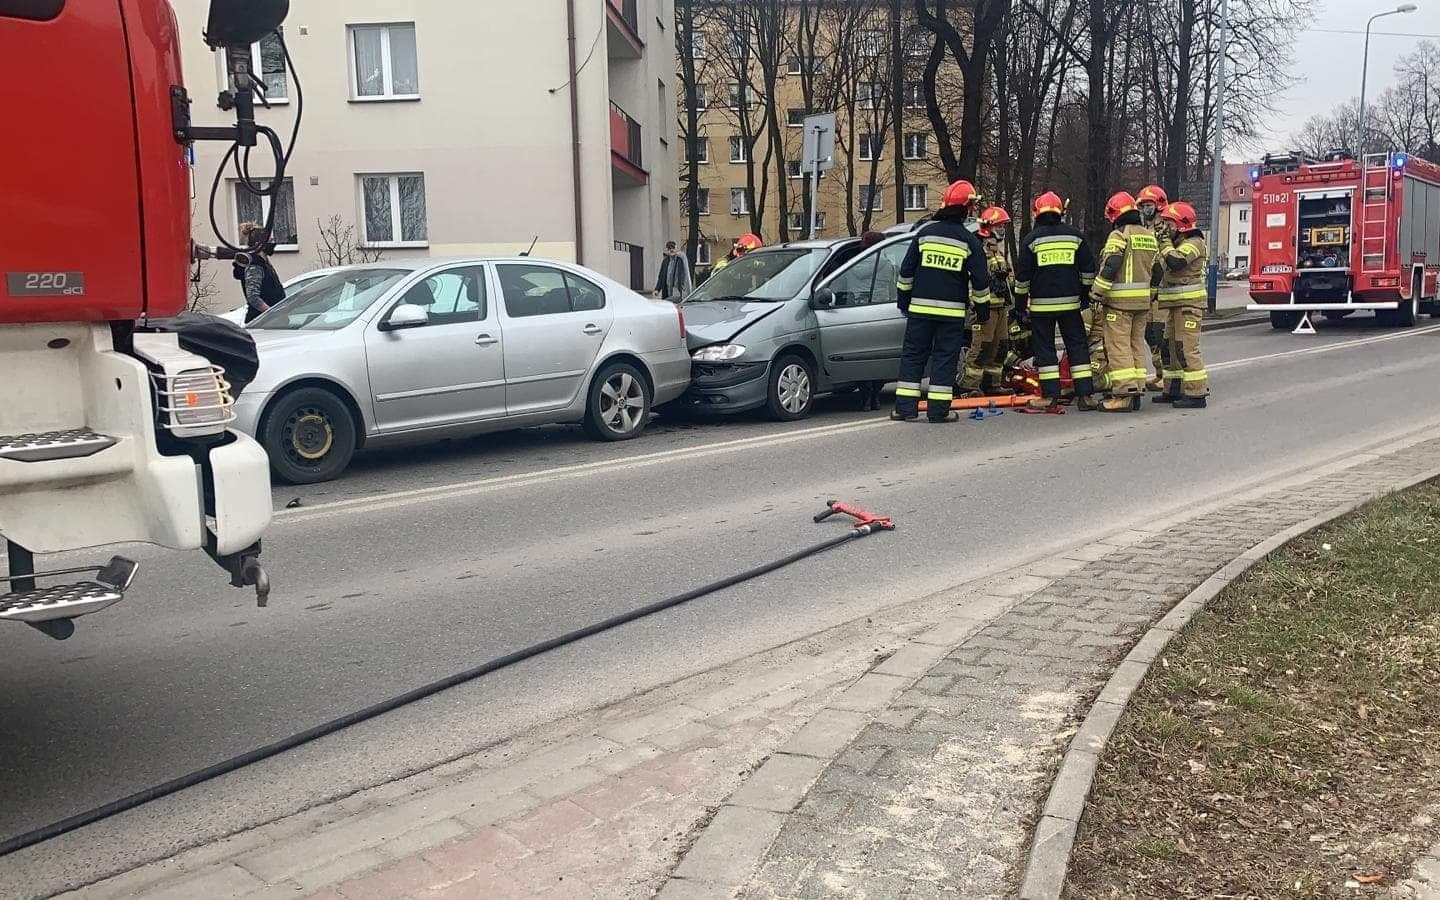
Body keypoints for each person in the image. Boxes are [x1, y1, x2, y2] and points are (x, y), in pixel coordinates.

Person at [893, 180, 991, 423]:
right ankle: (939, 412)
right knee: (945, 358)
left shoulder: (925, 234)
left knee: (913, 356)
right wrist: (983, 312)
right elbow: (981, 282)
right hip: (951, 314)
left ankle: (905, 409)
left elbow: (906, 272)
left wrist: (904, 302)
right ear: (967, 209)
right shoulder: (969, 241)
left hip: (919, 311)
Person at [1012, 191, 1098, 412]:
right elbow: (1089, 270)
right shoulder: (1075, 236)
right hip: (1071, 306)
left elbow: (1022, 278)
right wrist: (1083, 293)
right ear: (1061, 211)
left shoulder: (1031, 240)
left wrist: (1020, 307)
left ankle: (1049, 397)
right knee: (1077, 347)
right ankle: (1086, 395)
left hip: (1041, 307)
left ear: (1036, 213)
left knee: (1046, 349)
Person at [1091, 191, 1162, 412]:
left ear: (1114, 214)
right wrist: (1149, 293)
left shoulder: (1119, 235)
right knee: (1135, 346)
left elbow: (1111, 264)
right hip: (1142, 304)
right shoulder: (1149, 236)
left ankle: (1123, 395)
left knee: (1118, 347)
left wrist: (1096, 292)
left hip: (1119, 304)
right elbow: (1158, 270)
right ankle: (1137, 388)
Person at [1153, 200, 1210, 408]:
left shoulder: (1194, 244)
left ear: (1181, 224)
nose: (1167, 229)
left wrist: (1165, 244)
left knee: (1186, 349)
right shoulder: (1176, 244)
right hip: (1174, 306)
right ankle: (1172, 389)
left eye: (1170, 224)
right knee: (1169, 350)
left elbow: (1176, 262)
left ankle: (1197, 394)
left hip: (1189, 306)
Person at [959, 206, 1013, 396]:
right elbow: (972, 280)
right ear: (988, 227)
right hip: (985, 308)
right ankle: (970, 386)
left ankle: (993, 385)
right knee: (981, 348)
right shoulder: (977, 249)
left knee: (1000, 347)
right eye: (999, 226)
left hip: (1001, 307)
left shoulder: (997, 251)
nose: (1002, 230)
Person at [1137, 184, 1171, 392]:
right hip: (1149, 288)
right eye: (1143, 205)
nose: (1145, 209)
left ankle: (1167, 375)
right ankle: (1160, 372)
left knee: (1159, 334)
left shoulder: (1165, 227)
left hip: (1162, 289)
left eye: (1149, 205)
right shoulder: (1145, 228)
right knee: (1150, 334)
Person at [857, 230, 889, 411]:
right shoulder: (887, 262)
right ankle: (875, 394)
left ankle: (866, 393)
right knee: (878, 355)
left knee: (863, 356)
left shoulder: (858, 263)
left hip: (859, 312)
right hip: (883, 312)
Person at [236, 222, 284, 324]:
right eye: (269, 240)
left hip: (271, 322)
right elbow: (253, 297)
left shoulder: (263, 260)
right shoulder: (255, 264)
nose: (272, 243)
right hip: (263, 323)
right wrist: (272, 314)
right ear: (259, 243)